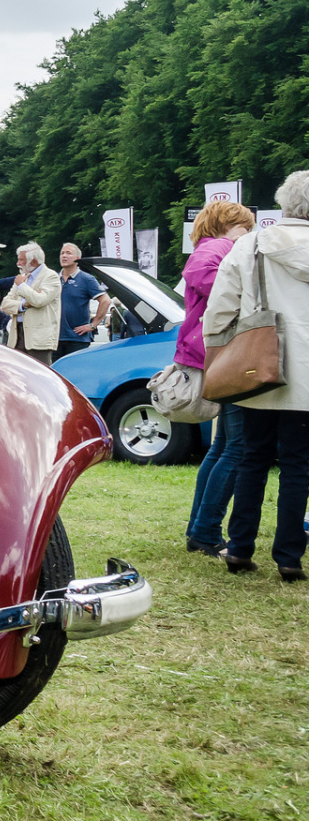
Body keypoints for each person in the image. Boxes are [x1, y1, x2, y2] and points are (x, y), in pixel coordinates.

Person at [205, 171, 309, 582]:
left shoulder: (250, 244)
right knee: (299, 464)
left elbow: (220, 308)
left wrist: (217, 352)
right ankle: (289, 556)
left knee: (253, 456)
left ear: (284, 202)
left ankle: (240, 547)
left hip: (258, 361)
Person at [179, 200, 256, 556]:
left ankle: (199, 527)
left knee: (222, 446)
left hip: (216, 355)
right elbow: (203, 277)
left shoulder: (209, 247)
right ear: (227, 224)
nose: (248, 234)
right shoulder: (218, 247)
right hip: (228, 354)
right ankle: (206, 531)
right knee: (236, 448)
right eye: (244, 227)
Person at [1, 242, 62, 365]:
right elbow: (5, 304)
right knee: (17, 373)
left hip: (38, 339)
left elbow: (39, 301)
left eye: (21, 260)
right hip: (17, 335)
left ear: (33, 261)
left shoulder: (51, 277)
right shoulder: (22, 277)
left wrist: (21, 286)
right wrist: (23, 305)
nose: (18, 263)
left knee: (39, 374)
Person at [56, 243, 111, 356]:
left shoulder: (86, 279)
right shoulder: (53, 279)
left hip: (77, 338)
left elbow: (105, 301)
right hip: (54, 337)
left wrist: (93, 324)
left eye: (68, 253)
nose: (64, 256)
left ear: (78, 258)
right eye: (62, 253)